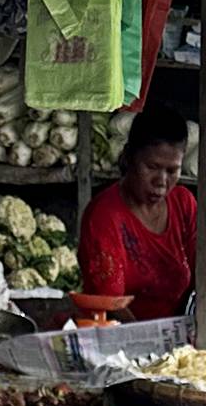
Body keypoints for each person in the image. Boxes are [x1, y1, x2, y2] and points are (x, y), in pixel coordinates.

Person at [76, 103, 196, 320]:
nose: (161, 182)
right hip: (118, 337)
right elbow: (111, 305)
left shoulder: (183, 203)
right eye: (152, 167)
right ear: (129, 157)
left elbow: (205, 274)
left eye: (172, 171)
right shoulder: (104, 216)